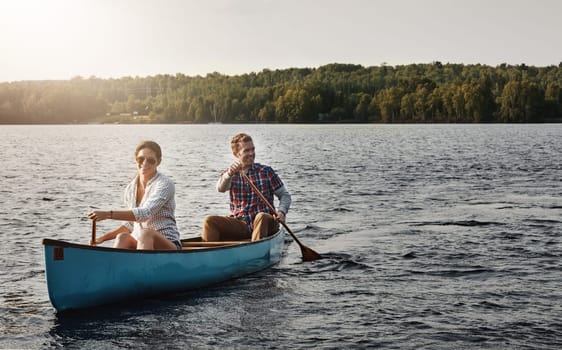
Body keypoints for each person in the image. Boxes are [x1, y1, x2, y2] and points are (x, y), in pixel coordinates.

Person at [87, 140, 182, 250]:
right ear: (135, 159)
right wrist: (102, 238)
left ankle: (142, 267)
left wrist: (108, 214)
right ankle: (116, 266)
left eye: (150, 160)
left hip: (168, 244)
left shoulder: (165, 184)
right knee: (122, 237)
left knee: (146, 234)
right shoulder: (130, 188)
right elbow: (130, 225)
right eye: (141, 159)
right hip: (141, 243)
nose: (145, 163)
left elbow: (144, 213)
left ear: (158, 162)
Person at [202, 133, 291, 242]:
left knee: (261, 216)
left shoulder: (266, 171)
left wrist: (281, 212)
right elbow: (220, 188)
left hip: (267, 223)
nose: (251, 153)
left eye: (253, 149)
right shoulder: (231, 174)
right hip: (242, 224)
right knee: (209, 221)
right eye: (246, 151)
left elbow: (284, 195)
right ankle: (209, 254)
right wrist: (229, 174)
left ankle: (255, 250)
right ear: (236, 154)